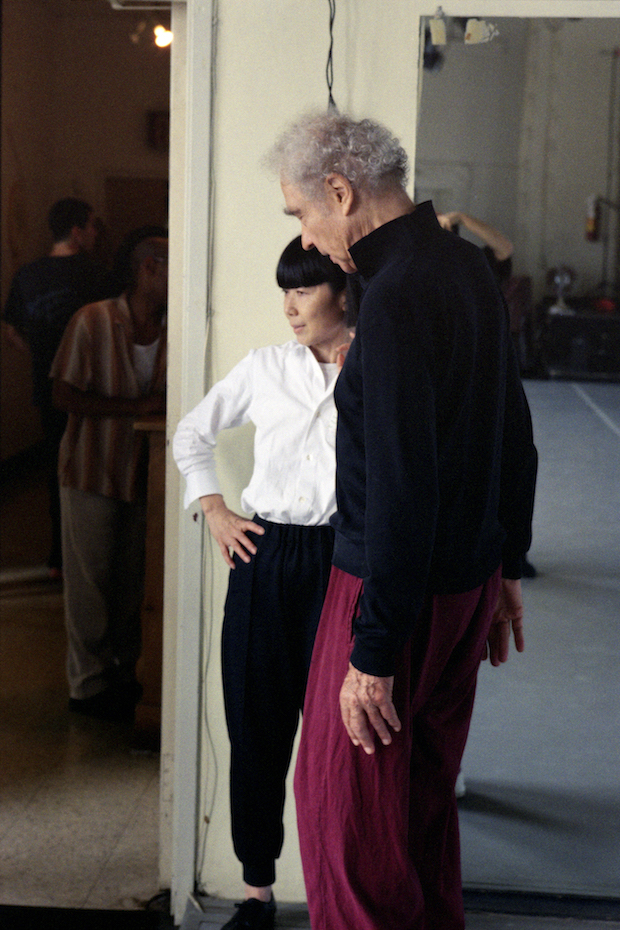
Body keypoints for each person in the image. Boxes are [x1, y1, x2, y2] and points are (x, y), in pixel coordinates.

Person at [266, 111, 538, 930]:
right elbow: (511, 432)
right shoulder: (464, 270)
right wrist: (504, 569)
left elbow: (400, 484)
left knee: (348, 836)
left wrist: (373, 649)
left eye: (303, 214)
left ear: (341, 192)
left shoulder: (391, 298)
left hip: (387, 592)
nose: (308, 237)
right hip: (463, 587)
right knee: (419, 820)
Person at [173, 237, 350, 930]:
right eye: (285, 291)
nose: (290, 306)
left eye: (303, 290)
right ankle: (256, 892)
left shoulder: (377, 367)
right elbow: (192, 434)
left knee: (338, 738)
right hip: (267, 557)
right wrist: (215, 509)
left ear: (342, 291)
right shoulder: (266, 368)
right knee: (256, 727)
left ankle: (340, 892)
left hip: (345, 560)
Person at [51, 229, 168, 722]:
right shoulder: (93, 320)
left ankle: (122, 673)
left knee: (130, 580)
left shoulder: (175, 324)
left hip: (144, 471)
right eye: (169, 263)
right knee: (89, 580)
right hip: (91, 468)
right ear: (148, 268)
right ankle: (87, 683)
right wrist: (134, 407)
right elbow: (63, 394)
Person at [3, 198, 110, 577]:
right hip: (91, 388)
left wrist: (42, 356)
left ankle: (58, 560)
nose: (97, 233)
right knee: (93, 471)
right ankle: (90, 558)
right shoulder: (95, 274)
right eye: (93, 226)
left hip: (46, 386)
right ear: (77, 231)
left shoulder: (27, 275)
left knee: (55, 468)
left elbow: (12, 329)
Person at [437, 210, 538, 580]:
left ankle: (514, 551)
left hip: (495, 373)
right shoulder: (424, 268)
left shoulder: (479, 265)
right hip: (455, 377)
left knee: (512, 460)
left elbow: (504, 246)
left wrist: (462, 218)